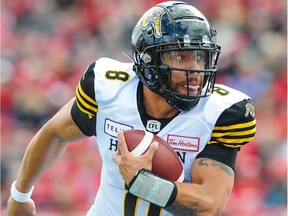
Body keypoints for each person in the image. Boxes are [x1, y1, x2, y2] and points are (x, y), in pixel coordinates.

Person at [7, 1, 256, 216]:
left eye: (200, 57)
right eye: (181, 57)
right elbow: (54, 133)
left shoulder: (222, 113)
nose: (196, 71)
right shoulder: (109, 90)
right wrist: (20, 195)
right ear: (149, 61)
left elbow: (209, 205)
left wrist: (142, 182)